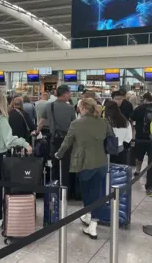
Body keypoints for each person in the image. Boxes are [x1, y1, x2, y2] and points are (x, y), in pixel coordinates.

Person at [55, 98, 107, 239]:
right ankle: (89, 217)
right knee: (97, 193)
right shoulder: (103, 122)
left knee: (87, 193)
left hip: (84, 162)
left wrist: (58, 154)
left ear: (83, 108)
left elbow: (66, 143)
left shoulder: (76, 124)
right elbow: (111, 138)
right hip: (102, 162)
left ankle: (93, 225)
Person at [0, 95, 32, 227]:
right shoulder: (2, 120)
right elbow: (9, 140)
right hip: (1, 154)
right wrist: (25, 144)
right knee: (1, 185)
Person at [37, 85, 76, 188]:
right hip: (67, 140)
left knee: (55, 164)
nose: (70, 94)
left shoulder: (49, 106)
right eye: (69, 92)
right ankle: (65, 189)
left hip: (54, 139)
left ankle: (54, 188)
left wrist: (36, 132)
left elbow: (41, 121)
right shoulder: (70, 108)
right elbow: (74, 125)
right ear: (65, 93)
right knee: (66, 165)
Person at [130, 93, 152, 176]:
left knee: (139, 155)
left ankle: (138, 170)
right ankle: (151, 172)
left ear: (144, 99)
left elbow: (131, 118)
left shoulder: (139, 108)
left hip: (140, 135)